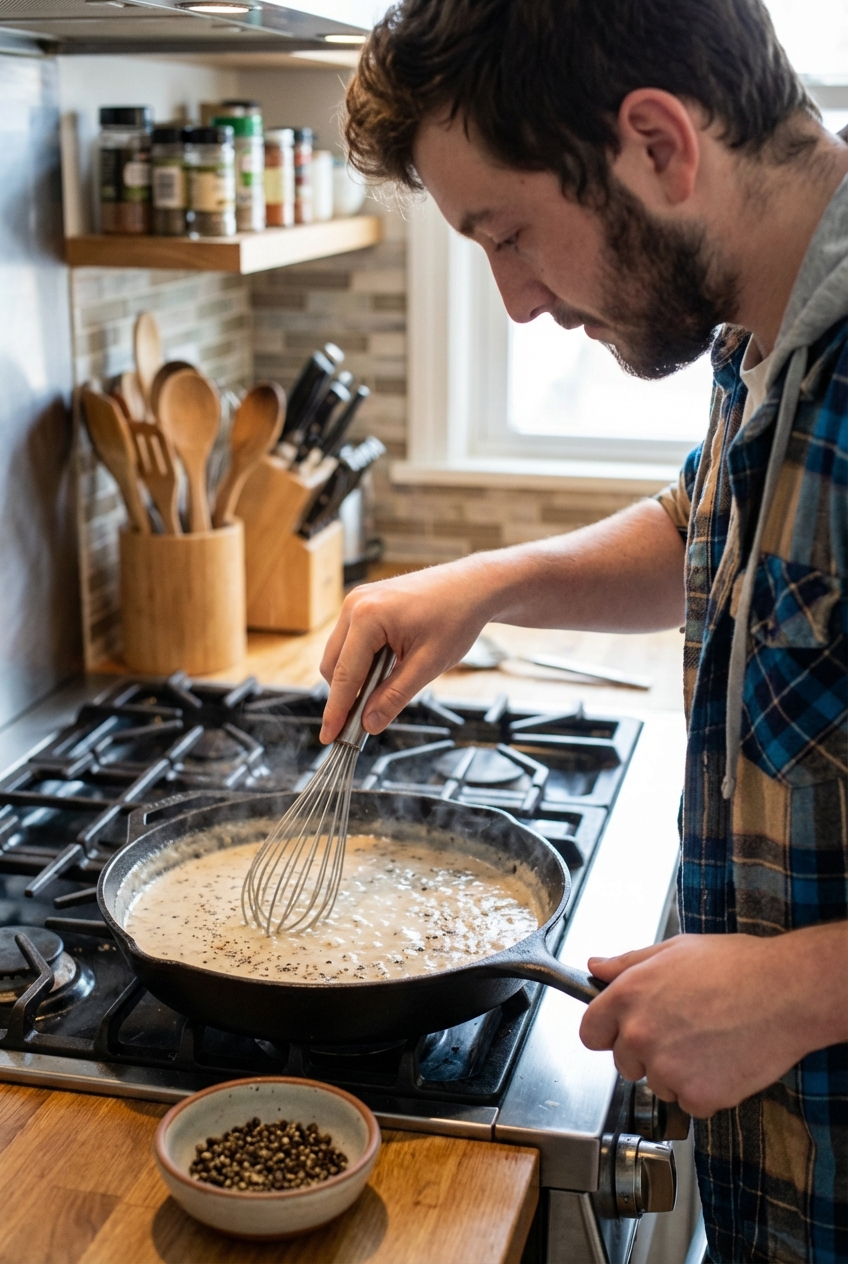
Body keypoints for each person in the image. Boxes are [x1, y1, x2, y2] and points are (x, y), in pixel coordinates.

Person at [317, 1, 848, 1260]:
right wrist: (488, 583)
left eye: (507, 234)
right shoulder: (761, 320)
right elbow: (720, 531)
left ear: (658, 145)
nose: (512, 303)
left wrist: (798, 988)